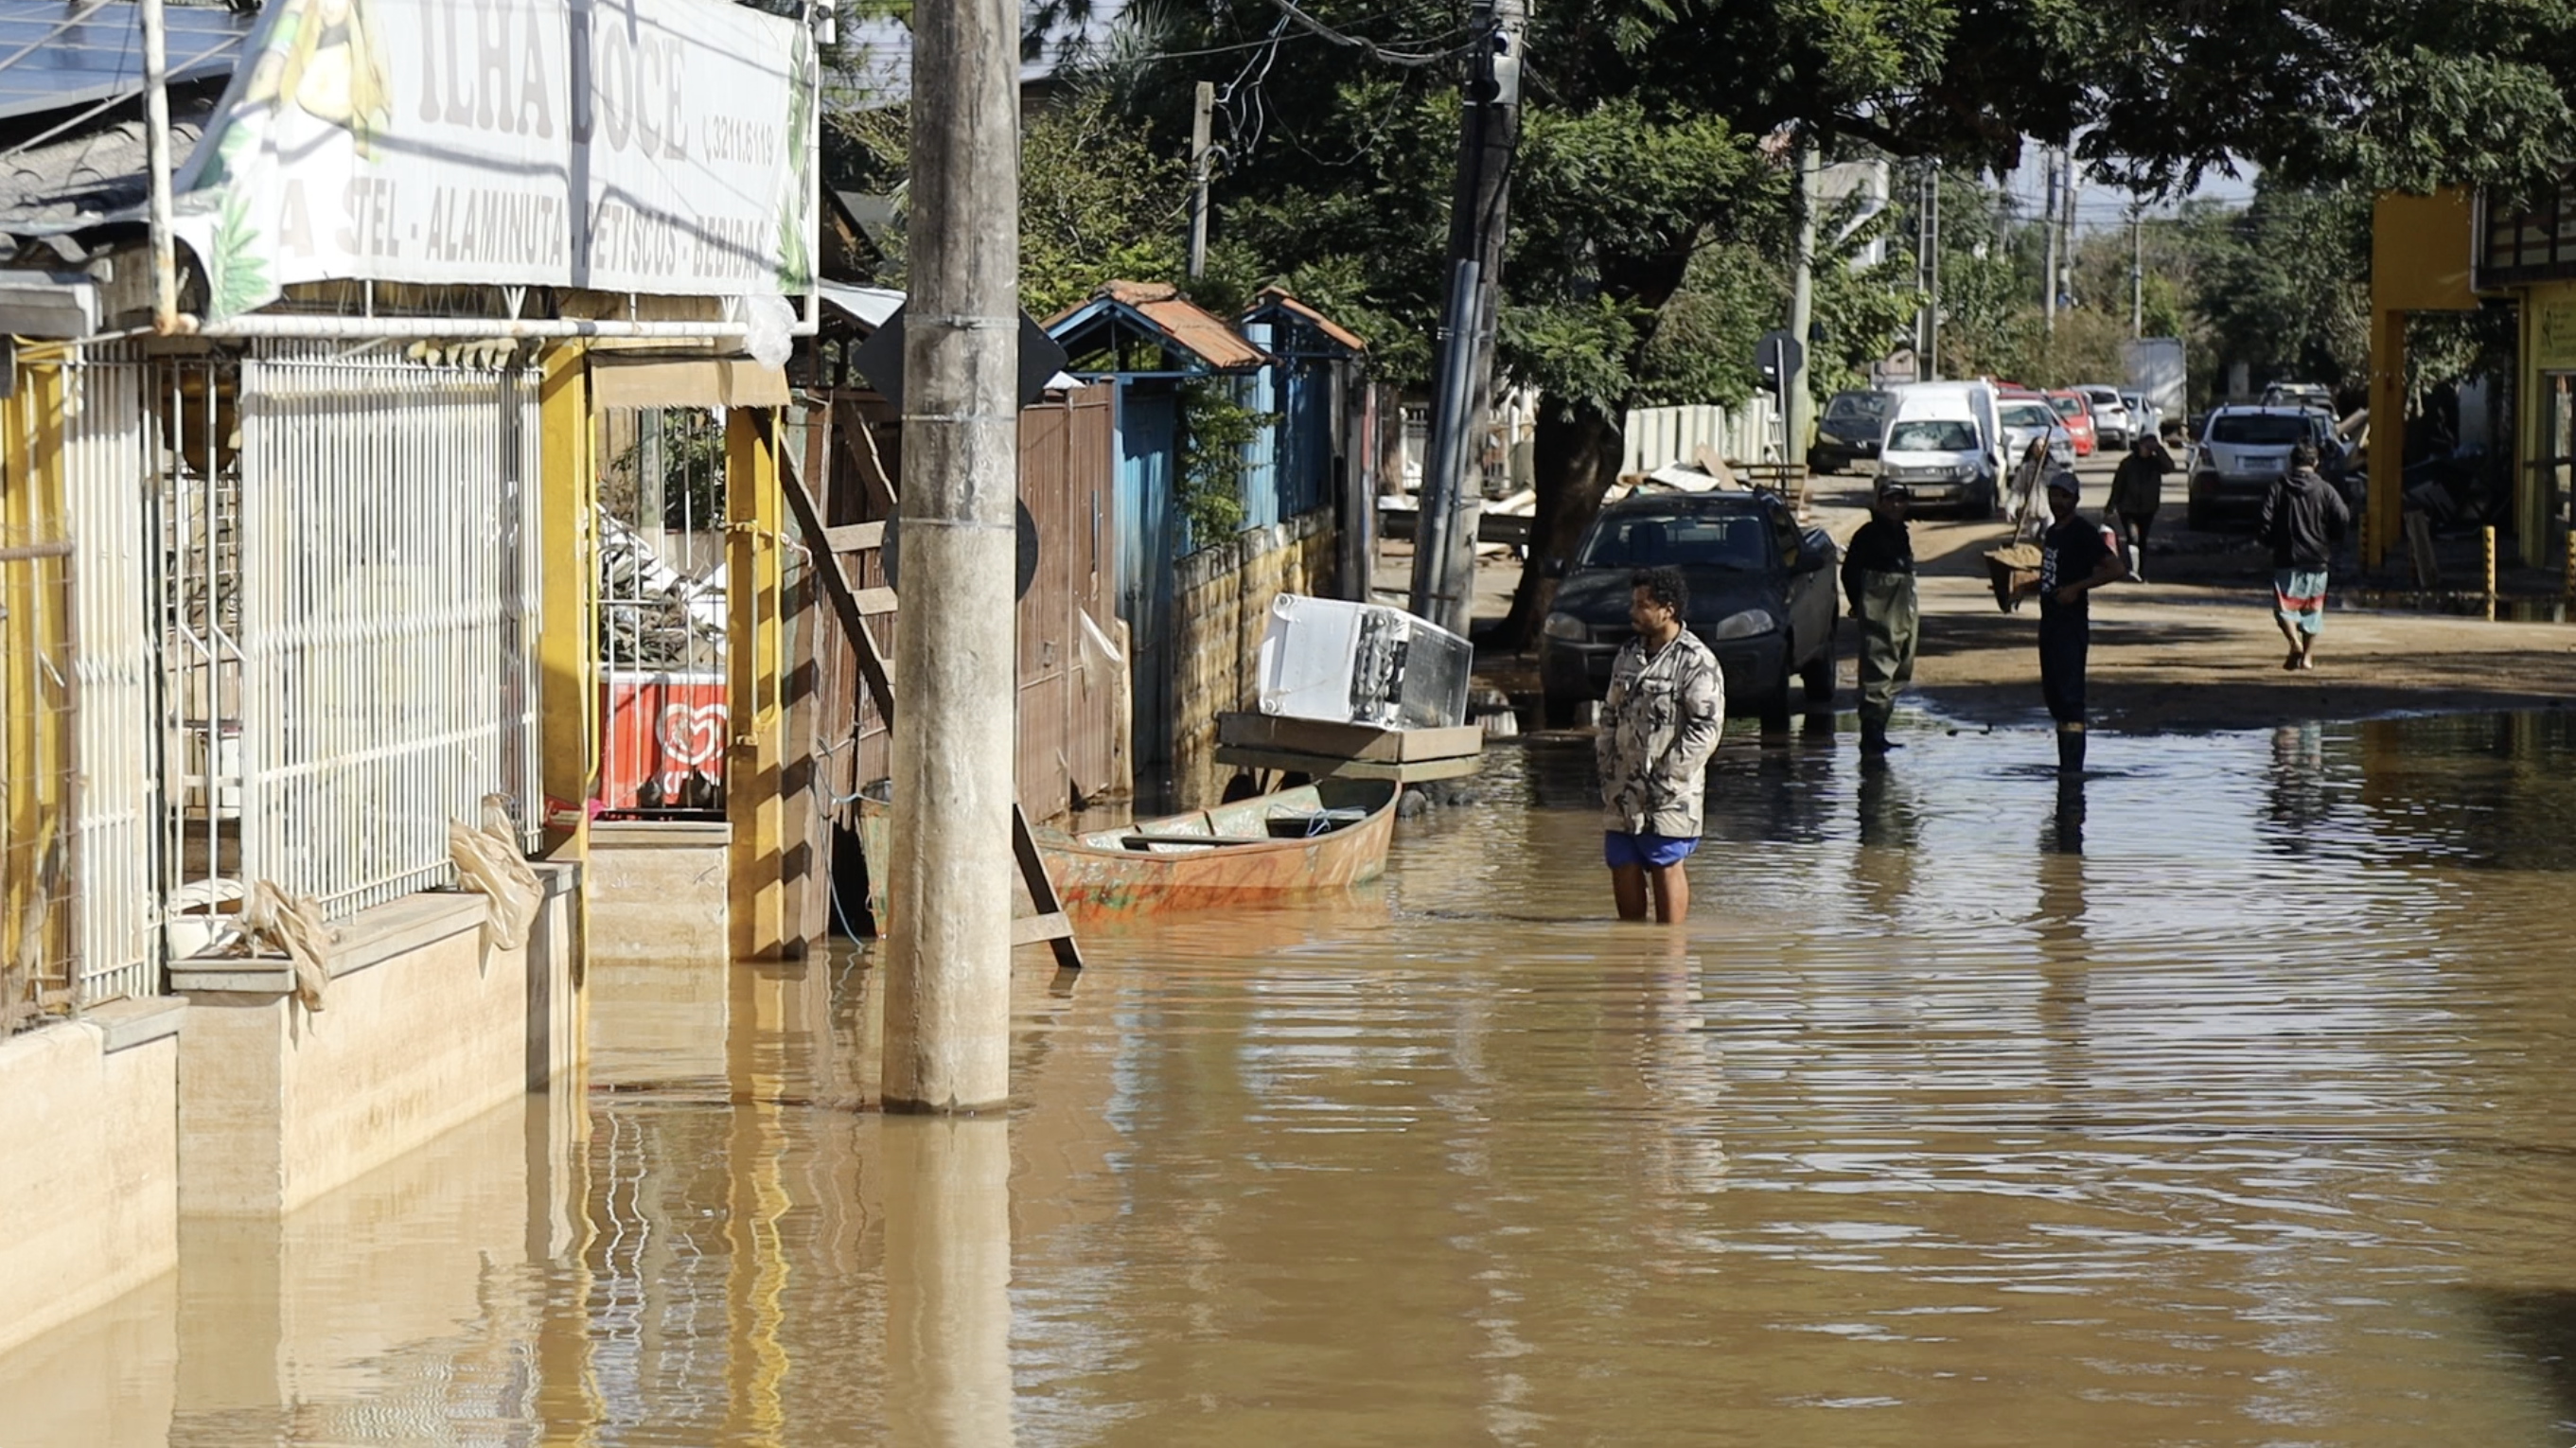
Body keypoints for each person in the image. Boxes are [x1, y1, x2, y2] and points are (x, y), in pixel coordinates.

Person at [1597, 566, 1725, 925]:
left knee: (1664, 859)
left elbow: (1706, 728)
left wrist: (1668, 779)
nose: (1633, 612)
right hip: (1622, 787)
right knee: (1621, 860)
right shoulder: (1628, 654)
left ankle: (1670, 953)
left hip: (1669, 793)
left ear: (1667, 609)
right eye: (1634, 603)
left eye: (1642, 605)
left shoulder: (1696, 661)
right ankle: (1631, 949)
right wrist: (1606, 765)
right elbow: (1609, 713)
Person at [2036, 470, 2126, 774]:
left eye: (2064, 496)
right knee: (2055, 697)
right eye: (2054, 495)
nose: (2057, 502)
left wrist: (2077, 588)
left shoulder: (2082, 532)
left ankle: (2073, 772)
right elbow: (2050, 576)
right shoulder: (2052, 533)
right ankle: (2065, 768)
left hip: (2069, 625)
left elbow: (2115, 568)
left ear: (2075, 499)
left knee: (2071, 697)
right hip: (2048, 623)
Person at [1841, 480, 1917, 755]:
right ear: (1879, 503)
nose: (1896, 505)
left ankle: (1880, 731)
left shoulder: (1901, 533)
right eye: (1890, 500)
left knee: (1902, 665)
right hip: (1878, 608)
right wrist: (1859, 604)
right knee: (1877, 669)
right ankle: (1871, 737)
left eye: (1901, 499)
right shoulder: (1867, 535)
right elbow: (1849, 572)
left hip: (1903, 608)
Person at [2259, 441, 2351, 671]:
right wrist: (2332, 537)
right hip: (2318, 559)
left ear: (2292, 462)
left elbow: (2264, 519)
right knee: (2313, 611)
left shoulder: (2279, 487)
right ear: (2316, 463)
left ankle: (2294, 643)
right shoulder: (2326, 490)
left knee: (2284, 609)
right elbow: (2343, 516)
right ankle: (2308, 657)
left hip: (2287, 558)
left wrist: (2269, 541)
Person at [2107, 435, 2172, 580]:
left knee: (2142, 540)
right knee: (2133, 537)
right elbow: (2118, 485)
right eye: (2146, 447)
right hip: (2128, 508)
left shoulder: (2155, 463)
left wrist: (2159, 449)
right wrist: (2110, 506)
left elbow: (2169, 467)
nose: (2147, 451)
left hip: (2148, 509)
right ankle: (2132, 568)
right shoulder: (2127, 464)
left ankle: (2140, 569)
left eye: (2151, 448)